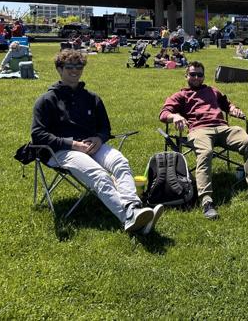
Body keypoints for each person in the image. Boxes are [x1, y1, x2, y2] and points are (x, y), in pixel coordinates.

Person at [31, 50, 163, 234]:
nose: (75, 71)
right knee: (99, 174)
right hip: (60, 150)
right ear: (59, 69)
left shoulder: (92, 98)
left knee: (120, 162)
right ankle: (128, 217)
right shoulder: (46, 100)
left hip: (92, 145)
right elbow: (38, 135)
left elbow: (105, 129)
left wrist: (99, 138)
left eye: (79, 67)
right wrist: (72, 144)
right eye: (69, 67)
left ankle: (133, 207)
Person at [159, 61, 248, 219]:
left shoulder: (212, 91)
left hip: (223, 128)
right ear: (186, 76)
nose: (196, 77)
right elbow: (163, 113)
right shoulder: (181, 95)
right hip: (199, 130)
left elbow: (227, 104)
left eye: (200, 74)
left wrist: (233, 110)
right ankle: (206, 200)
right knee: (206, 152)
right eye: (192, 74)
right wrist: (175, 116)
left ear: (204, 76)